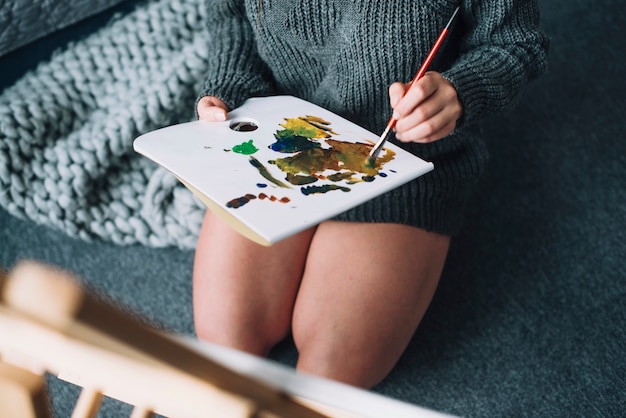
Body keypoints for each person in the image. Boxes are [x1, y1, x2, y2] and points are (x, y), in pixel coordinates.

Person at [193, 0, 549, 389]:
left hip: (403, 155)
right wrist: (231, 84)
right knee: (223, 342)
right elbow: (230, 14)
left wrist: (460, 90)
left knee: (330, 376)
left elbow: (518, 43)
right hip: (278, 134)